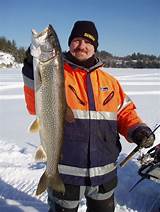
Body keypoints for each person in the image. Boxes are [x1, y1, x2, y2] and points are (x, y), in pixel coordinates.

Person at [22, 20, 155, 212]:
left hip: (104, 174)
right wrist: (30, 69)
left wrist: (138, 130)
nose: (82, 46)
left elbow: (125, 112)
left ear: (95, 47)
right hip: (66, 174)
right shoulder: (57, 73)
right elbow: (35, 106)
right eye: (76, 40)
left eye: (88, 42)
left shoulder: (110, 82)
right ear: (69, 44)